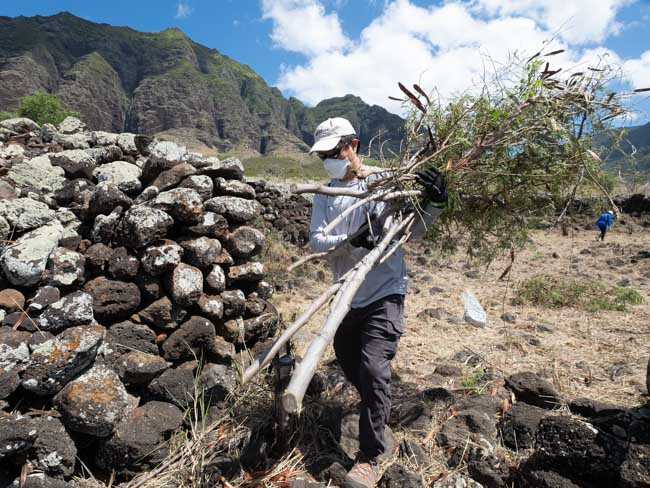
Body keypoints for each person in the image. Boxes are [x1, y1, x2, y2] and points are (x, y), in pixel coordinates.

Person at [308, 117, 447, 488]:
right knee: (350, 361)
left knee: (372, 367)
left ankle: (369, 457)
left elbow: (413, 230)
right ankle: (378, 407)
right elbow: (316, 242)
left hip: (385, 289)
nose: (330, 160)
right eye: (324, 155)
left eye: (335, 151)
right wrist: (350, 241)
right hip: (346, 295)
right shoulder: (324, 194)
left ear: (354, 144)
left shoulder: (387, 183)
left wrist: (436, 202)